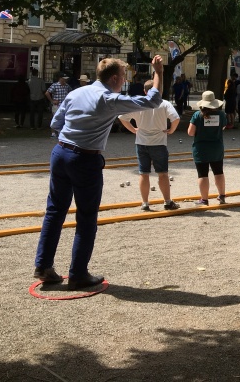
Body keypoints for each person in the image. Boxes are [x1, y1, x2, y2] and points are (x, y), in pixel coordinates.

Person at [33, 55, 165, 289]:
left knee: (54, 211)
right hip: (85, 159)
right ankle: (78, 274)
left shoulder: (76, 92)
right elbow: (152, 101)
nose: (124, 81)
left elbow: (55, 123)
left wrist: (76, 132)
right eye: (124, 77)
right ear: (114, 78)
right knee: (86, 217)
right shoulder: (109, 99)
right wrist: (159, 73)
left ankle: (43, 266)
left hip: (60, 153)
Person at [118, 79, 181, 212]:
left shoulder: (139, 104)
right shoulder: (164, 103)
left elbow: (122, 118)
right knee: (163, 174)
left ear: (145, 91)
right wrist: (171, 130)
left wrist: (134, 130)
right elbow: (176, 119)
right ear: (158, 91)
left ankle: (145, 203)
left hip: (141, 142)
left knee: (144, 173)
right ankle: (167, 202)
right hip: (159, 142)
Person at [187, 90, 228, 206]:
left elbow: (190, 132)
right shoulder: (221, 114)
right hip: (216, 147)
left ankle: (204, 199)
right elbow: (224, 127)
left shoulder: (197, 115)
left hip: (201, 149)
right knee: (219, 172)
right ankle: (222, 196)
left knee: (203, 174)